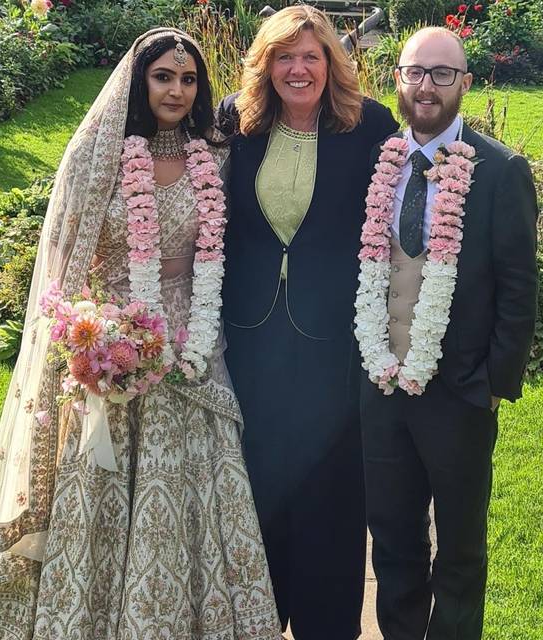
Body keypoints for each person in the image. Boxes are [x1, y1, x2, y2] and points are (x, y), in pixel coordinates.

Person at [0, 28, 281, 639]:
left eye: (188, 79)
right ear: (138, 80)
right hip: (114, 349)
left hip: (193, 346)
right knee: (98, 481)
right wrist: (87, 337)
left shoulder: (215, 154)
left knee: (195, 485)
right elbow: (65, 260)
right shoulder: (98, 155)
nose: (177, 90)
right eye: (163, 77)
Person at [215, 6, 398, 638]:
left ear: (331, 64)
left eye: (311, 56)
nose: (298, 69)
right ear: (264, 67)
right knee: (256, 481)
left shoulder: (369, 124)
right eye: (284, 57)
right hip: (250, 337)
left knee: (331, 486)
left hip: (332, 340)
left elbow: (400, 223)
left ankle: (327, 622)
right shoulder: (232, 122)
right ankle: (259, 618)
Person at [355, 27, 538, 640]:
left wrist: (493, 384)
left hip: (459, 391)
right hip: (380, 390)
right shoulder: (377, 164)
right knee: (394, 540)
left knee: (460, 547)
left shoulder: (500, 171)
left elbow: (518, 288)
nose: (426, 86)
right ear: (398, 80)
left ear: (465, 83)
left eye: (441, 74)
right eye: (415, 72)